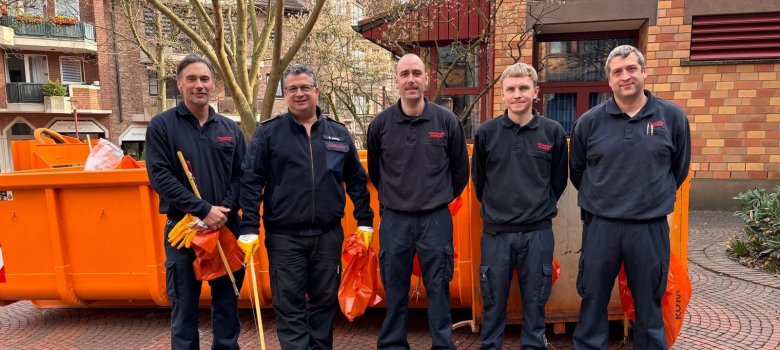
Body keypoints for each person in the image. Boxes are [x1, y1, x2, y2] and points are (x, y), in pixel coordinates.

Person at [239, 64, 374, 350]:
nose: (299, 94)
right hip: (285, 237)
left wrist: (365, 220)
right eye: (292, 89)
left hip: (327, 236)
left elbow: (356, 181)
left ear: (317, 91)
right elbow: (251, 181)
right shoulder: (269, 134)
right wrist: (249, 227)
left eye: (305, 87)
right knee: (289, 306)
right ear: (285, 94)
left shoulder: (339, 134)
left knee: (325, 303)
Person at [570, 45, 691, 349]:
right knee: (593, 298)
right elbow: (578, 171)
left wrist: (649, 197)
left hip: (649, 228)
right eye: (617, 72)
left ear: (644, 72)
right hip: (601, 226)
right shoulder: (589, 122)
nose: (625, 76)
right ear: (608, 80)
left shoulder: (672, 118)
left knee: (650, 302)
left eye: (631, 69)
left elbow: (678, 169)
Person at [367, 53, 470, 350]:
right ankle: (393, 344)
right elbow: (376, 172)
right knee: (395, 288)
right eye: (404, 74)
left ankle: (442, 344)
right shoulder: (380, 125)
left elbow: (460, 171)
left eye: (416, 73)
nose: (411, 79)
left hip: (435, 219)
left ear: (426, 79)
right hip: (395, 219)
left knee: (438, 287)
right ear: (397, 80)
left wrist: (438, 199)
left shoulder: (446, 121)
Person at [145, 54, 246, 350]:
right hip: (183, 231)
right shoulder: (162, 126)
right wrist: (203, 210)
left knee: (227, 307)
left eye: (204, 79)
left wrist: (222, 212)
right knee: (184, 308)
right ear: (179, 84)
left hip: (226, 230)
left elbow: (243, 177)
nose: (199, 85)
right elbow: (161, 177)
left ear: (213, 85)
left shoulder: (231, 129)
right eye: (191, 79)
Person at [472, 63, 568, 349]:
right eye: (511, 89)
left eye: (524, 88)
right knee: (492, 304)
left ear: (536, 92)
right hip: (496, 235)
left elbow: (558, 182)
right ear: (502, 93)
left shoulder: (552, 132)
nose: (518, 94)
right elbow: (479, 181)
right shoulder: (487, 133)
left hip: (537, 233)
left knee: (536, 304)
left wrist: (536, 207)